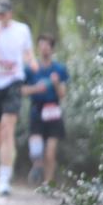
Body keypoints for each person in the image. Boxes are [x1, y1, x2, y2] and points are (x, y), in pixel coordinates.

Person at [0, 0, 37, 197]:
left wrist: (32, 62)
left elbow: (28, 52)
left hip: (13, 81)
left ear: (10, 13)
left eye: (3, 13)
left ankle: (4, 178)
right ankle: (6, 157)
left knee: (7, 129)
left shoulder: (22, 30)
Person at [22, 34, 69, 186]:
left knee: (50, 152)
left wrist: (55, 84)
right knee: (36, 151)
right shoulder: (30, 69)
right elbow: (21, 91)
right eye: (41, 45)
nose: (44, 48)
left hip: (53, 111)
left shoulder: (60, 69)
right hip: (37, 111)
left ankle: (48, 184)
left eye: (47, 45)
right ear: (37, 47)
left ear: (52, 48)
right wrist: (36, 89)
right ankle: (37, 166)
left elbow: (62, 94)